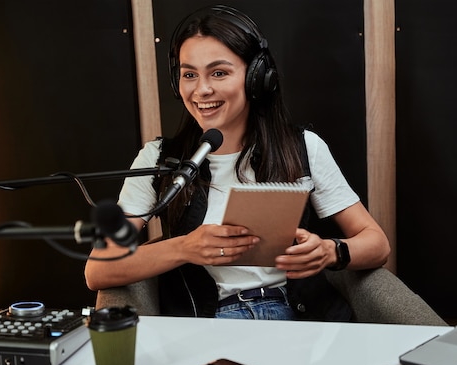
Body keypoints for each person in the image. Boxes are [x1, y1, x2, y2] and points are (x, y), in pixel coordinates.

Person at [85, 4, 390, 321]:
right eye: (190, 74)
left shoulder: (303, 148)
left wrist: (331, 251)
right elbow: (97, 270)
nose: (202, 90)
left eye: (219, 72)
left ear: (257, 77)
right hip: (211, 325)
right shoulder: (160, 158)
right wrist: (184, 247)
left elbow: (377, 244)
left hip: (301, 320)